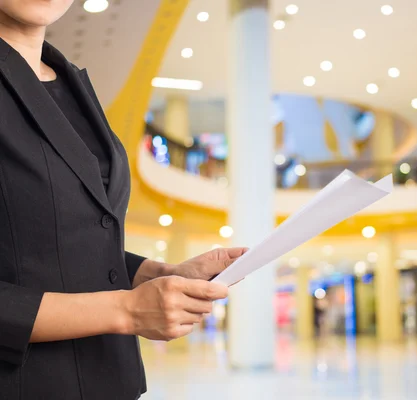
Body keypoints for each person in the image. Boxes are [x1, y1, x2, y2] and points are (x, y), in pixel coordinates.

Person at [0, 1, 245, 399]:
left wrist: (157, 273)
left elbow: (47, 242)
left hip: (108, 379)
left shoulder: (70, 82)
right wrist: (126, 310)